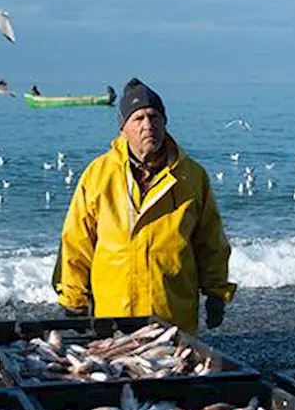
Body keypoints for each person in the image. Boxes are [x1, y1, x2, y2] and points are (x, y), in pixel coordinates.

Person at [52, 77, 236, 333]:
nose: (148, 125)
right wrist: (74, 300)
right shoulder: (98, 175)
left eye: (154, 117)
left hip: (173, 315)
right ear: (123, 128)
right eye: (138, 119)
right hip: (114, 314)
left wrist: (216, 293)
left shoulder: (192, 176)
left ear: (165, 123)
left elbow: (211, 240)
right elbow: (76, 242)